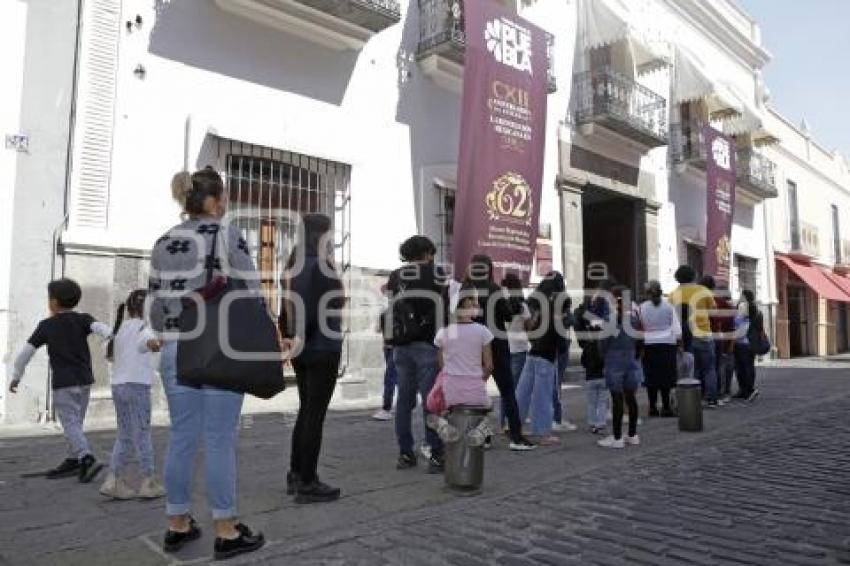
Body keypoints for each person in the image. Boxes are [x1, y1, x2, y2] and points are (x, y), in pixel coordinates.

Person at [149, 168, 264, 559]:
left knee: (182, 437)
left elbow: (153, 304)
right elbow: (251, 289)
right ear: (216, 201)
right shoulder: (225, 234)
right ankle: (227, 530)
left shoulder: (163, 240)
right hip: (217, 347)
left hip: (173, 347)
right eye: (226, 196)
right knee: (218, 439)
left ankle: (177, 524)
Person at [9, 278, 112, 483]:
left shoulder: (46, 326)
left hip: (64, 383)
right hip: (84, 380)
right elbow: (104, 330)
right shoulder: (83, 319)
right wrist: (111, 340)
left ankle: (85, 457)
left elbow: (24, 355)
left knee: (69, 423)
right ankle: (73, 459)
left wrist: (16, 377)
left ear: (54, 302)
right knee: (76, 423)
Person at [280, 213, 345, 504]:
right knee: (314, 415)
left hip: (302, 349)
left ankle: (296, 473)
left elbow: (290, 308)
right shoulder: (320, 265)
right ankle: (308, 481)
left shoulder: (293, 264)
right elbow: (319, 307)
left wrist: (291, 337)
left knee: (306, 411)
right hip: (321, 346)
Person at [386, 236, 449, 472]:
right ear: (426, 253)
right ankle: (435, 454)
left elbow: (392, 308)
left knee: (403, 400)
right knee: (431, 401)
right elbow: (444, 309)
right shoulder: (438, 274)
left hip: (401, 346)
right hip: (427, 343)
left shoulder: (395, 276)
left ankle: (405, 454)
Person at [100, 289, 165, 500]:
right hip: (137, 387)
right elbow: (151, 344)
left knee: (125, 434)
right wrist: (164, 340)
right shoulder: (144, 329)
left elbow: (109, 354)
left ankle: (113, 480)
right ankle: (148, 481)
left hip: (118, 386)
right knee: (143, 433)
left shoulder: (120, 329)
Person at [465, 256, 536, 450]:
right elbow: (506, 315)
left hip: (473, 345)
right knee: (507, 392)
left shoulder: (466, 289)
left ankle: (483, 438)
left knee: (477, 392)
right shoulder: (493, 289)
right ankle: (516, 437)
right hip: (496, 343)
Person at [516, 271, 567, 446]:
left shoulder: (534, 300)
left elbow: (527, 325)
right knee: (543, 395)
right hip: (547, 352)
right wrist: (562, 347)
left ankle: (515, 424)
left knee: (522, 392)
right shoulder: (556, 303)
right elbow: (558, 329)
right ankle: (542, 432)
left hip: (533, 351)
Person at [597, 285, 642, 449]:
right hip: (630, 360)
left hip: (614, 361)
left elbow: (602, 344)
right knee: (631, 398)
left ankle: (617, 437)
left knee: (617, 399)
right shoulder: (634, 320)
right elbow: (639, 340)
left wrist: (604, 357)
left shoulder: (610, 321)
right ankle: (632, 434)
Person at [669, 265, 719, 408]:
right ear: (694, 276)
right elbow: (713, 311)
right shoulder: (703, 291)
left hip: (684, 336)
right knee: (709, 368)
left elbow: (671, 317)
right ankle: (711, 399)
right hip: (703, 333)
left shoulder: (673, 294)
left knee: (692, 369)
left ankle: (693, 398)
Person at [639, 281, 681, 418]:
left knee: (651, 377)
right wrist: (680, 344)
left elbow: (639, 326)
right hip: (667, 344)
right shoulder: (669, 307)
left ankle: (652, 407)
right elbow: (676, 328)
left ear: (647, 293)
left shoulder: (642, 308)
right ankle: (666, 407)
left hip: (649, 344)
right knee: (666, 377)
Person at [574, 295, 607, 434]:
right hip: (603, 376)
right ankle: (601, 423)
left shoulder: (587, 346)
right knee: (602, 402)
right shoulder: (604, 345)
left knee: (591, 402)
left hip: (590, 377)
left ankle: (592, 423)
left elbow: (583, 361)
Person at [501, 273, 530, 433]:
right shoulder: (522, 305)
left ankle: (502, 423)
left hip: (505, 347)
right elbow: (528, 326)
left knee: (505, 387)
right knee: (517, 389)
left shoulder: (499, 303)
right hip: (519, 348)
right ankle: (511, 423)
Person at [701, 276, 736, 405]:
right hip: (717, 337)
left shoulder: (698, 301)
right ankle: (716, 394)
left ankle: (702, 394)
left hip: (701, 336)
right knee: (714, 367)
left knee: (701, 367)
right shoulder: (723, 303)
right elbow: (730, 323)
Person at [552, 297, 578, 432]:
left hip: (558, 348)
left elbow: (573, 320)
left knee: (555, 384)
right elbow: (571, 321)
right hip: (558, 349)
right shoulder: (556, 314)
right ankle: (556, 418)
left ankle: (555, 417)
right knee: (556, 384)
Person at [373, 284, 397, 421]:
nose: (388, 296)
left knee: (390, 377)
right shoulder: (385, 312)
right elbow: (379, 330)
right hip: (388, 347)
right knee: (394, 377)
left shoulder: (396, 311)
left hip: (394, 347)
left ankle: (386, 407)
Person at [734, 290, 762, 402]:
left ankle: (748, 390)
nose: (740, 297)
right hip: (749, 343)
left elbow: (737, 322)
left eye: (741, 295)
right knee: (746, 367)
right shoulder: (756, 310)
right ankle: (745, 390)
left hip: (742, 342)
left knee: (742, 368)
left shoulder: (744, 307)